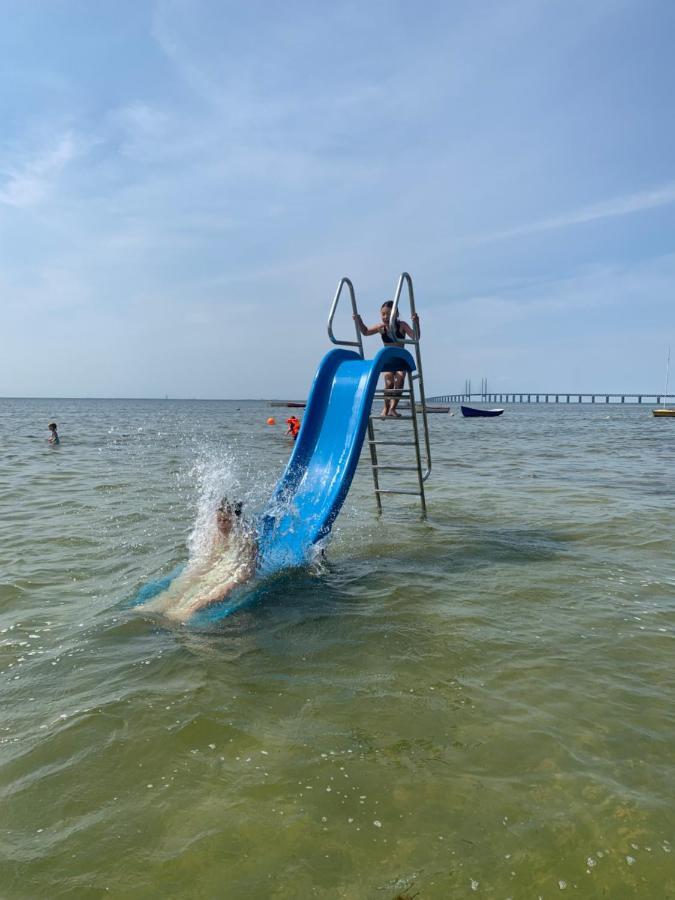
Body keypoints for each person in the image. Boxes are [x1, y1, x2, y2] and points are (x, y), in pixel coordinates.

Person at [148, 498, 257, 622]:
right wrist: (196, 573)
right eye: (219, 520)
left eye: (226, 520)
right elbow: (209, 560)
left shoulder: (244, 539)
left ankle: (181, 615)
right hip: (219, 568)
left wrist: (228, 584)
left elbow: (245, 572)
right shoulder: (216, 535)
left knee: (197, 600)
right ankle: (155, 607)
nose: (221, 524)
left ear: (236, 520)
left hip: (235, 573)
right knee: (179, 587)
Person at [354, 301, 420, 417]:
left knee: (400, 378)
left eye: (388, 314)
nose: (385, 317)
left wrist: (416, 323)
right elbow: (365, 332)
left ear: (396, 314)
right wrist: (359, 321)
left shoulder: (402, 325)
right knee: (389, 381)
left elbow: (415, 337)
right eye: (383, 314)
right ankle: (386, 407)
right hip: (389, 361)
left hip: (400, 360)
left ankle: (393, 409)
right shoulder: (381, 328)